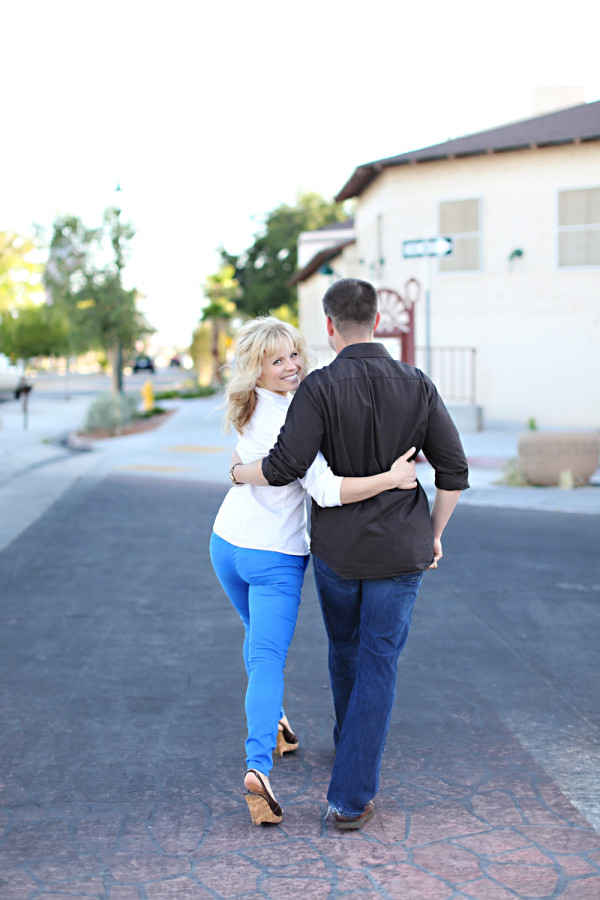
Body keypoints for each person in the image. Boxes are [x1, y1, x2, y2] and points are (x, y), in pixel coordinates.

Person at [231, 279, 470, 830]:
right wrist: (433, 533)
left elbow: (285, 466)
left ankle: (350, 745)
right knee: (378, 662)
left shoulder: (317, 388)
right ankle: (350, 797)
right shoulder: (418, 383)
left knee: (345, 651)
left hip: (337, 552)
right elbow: (453, 473)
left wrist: (240, 471)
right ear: (378, 319)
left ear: (330, 325)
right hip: (401, 549)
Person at [209, 315, 418, 827]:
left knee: (255, 637)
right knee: (266, 658)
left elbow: (242, 461)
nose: (292, 366)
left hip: (224, 544)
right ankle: (257, 766)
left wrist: (238, 471)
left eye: (294, 354)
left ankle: (277, 727)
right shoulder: (295, 416)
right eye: (275, 360)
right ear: (255, 369)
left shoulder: (247, 404)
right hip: (273, 555)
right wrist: (391, 477)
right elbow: (325, 490)